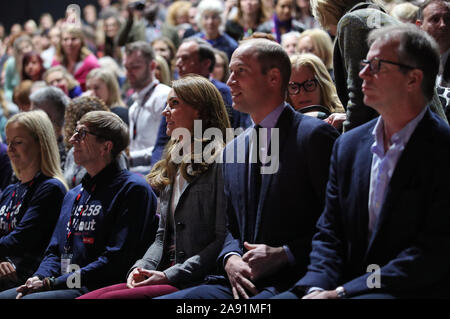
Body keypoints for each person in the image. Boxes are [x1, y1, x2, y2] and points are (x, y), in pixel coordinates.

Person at [274, 24, 450, 299]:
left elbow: (431, 253)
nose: (362, 73)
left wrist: (343, 292)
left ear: (413, 79)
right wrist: (316, 286)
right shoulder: (348, 144)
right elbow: (329, 233)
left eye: (377, 65)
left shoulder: (442, 148)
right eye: (365, 62)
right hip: (340, 285)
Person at [159, 38, 339, 299]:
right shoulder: (232, 148)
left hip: (298, 278)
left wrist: (285, 253)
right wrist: (230, 257)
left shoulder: (315, 136)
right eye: (230, 72)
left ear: (274, 77)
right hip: (236, 281)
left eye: (240, 71)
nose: (230, 81)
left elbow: (339, 224)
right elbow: (231, 227)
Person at [78, 75, 230, 299]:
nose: (165, 111)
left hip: (198, 277)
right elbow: (161, 237)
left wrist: (170, 274)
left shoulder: (221, 161)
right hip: (166, 272)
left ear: (200, 110)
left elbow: (221, 239)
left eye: (174, 104)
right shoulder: (172, 162)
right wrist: (140, 267)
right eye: (166, 103)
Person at [0, 111, 158, 299]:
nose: (72, 139)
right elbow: (54, 251)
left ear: (106, 146)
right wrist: (38, 277)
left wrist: (52, 282)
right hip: (64, 282)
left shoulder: (133, 189)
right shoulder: (74, 194)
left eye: (82, 134)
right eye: (74, 132)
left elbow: (116, 259)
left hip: (98, 286)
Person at [310, 0, 447, 131]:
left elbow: (359, 96)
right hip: (425, 124)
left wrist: (348, 143)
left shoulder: (353, 21)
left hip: (410, 134)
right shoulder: (374, 14)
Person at [150, 37, 252, 168]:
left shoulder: (225, 93)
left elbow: (232, 136)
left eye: (185, 58)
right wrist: (158, 173)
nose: (178, 63)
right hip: (175, 164)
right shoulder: (175, 93)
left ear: (206, 63)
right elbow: (161, 142)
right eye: (178, 58)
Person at [0, 110, 67, 291]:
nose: (10, 149)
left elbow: (20, 240)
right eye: (8, 142)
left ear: (40, 144)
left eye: (18, 142)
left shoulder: (51, 188)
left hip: (29, 278)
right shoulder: (10, 190)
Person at [125, 41, 171, 175]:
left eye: (135, 67)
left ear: (152, 66)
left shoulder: (163, 96)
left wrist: (129, 158)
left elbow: (165, 147)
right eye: (126, 67)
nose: (128, 73)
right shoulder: (133, 104)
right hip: (135, 172)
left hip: (157, 173)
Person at [288, 53, 346, 130]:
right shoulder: (276, 123)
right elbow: (270, 141)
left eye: (309, 85)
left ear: (323, 85)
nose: (302, 93)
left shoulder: (343, 119)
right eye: (294, 87)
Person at [29, 86, 70, 169]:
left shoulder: (65, 155)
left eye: (32, 114)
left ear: (47, 118)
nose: (28, 119)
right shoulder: (32, 147)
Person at [51, 25, 100, 91]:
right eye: (65, 39)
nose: (69, 43)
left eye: (73, 39)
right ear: (61, 42)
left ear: (81, 41)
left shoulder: (91, 63)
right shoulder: (56, 62)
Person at [416, 0, 450, 87]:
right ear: (419, 26)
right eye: (435, 19)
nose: (443, 25)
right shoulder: (411, 59)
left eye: (447, 19)